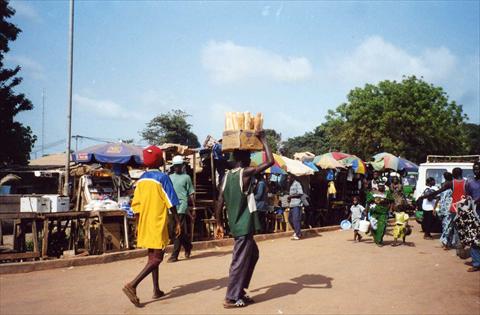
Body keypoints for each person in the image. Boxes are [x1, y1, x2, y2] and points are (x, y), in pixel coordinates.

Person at [215, 131, 274, 308]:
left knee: (253, 254)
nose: (250, 159)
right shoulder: (245, 173)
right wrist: (263, 140)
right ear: (242, 159)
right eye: (248, 156)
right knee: (239, 261)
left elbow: (219, 201)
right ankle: (231, 298)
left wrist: (218, 222)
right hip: (243, 226)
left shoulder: (226, 177)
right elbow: (270, 161)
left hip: (236, 225)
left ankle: (239, 290)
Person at [123, 146, 181, 307]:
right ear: (158, 160)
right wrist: (177, 221)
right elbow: (171, 202)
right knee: (157, 258)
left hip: (144, 222)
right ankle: (132, 285)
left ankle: (156, 289)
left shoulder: (141, 180)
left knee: (151, 257)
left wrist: (136, 225)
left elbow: (136, 205)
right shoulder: (162, 178)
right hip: (157, 221)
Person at [421, 168, 465, 248]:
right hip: (462, 208)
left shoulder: (450, 184)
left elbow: (438, 192)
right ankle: (454, 243)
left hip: (452, 208)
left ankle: (448, 242)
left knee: (449, 225)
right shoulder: (465, 182)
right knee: (456, 226)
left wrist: (424, 196)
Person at [168, 155, 195, 263]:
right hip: (171, 206)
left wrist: (193, 207)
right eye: (176, 166)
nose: (178, 168)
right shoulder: (169, 177)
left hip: (182, 206)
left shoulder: (186, 177)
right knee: (172, 230)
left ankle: (174, 255)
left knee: (178, 231)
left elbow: (191, 193)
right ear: (173, 167)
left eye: (179, 166)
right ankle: (188, 246)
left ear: (183, 166)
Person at [366, 182, 393, 247]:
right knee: (373, 227)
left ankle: (379, 240)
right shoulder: (373, 193)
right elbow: (368, 202)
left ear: (384, 186)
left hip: (383, 213)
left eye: (382, 186)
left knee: (382, 226)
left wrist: (390, 209)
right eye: (379, 186)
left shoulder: (387, 193)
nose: (381, 187)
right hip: (374, 212)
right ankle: (376, 239)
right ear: (378, 186)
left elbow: (392, 201)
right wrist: (366, 211)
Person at [465, 161, 480, 272]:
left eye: (478, 168)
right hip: (474, 213)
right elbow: (468, 197)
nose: (476, 171)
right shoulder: (470, 183)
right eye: (474, 169)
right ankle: (476, 263)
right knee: (474, 237)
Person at [438, 172, 454, 249]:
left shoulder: (452, 185)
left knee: (448, 226)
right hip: (443, 208)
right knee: (445, 226)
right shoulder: (442, 184)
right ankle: (447, 242)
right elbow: (439, 197)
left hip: (449, 208)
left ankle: (446, 242)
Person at [287, 174, 304, 240]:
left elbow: (300, 193)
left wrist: (291, 196)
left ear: (292, 177)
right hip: (291, 204)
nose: (288, 179)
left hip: (297, 204)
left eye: (289, 177)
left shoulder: (297, 183)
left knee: (296, 219)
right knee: (290, 219)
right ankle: (297, 231)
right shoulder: (290, 184)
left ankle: (298, 234)